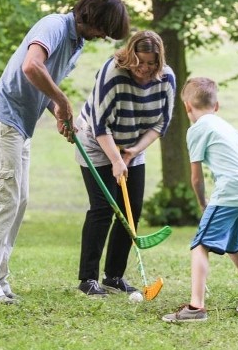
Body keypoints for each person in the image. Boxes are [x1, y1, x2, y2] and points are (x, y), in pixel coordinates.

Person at [0, 0, 130, 304]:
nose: (102, 36)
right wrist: (62, 100)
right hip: (1, 121)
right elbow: (31, 67)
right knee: (1, 201)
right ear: (91, 17)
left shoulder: (75, 43)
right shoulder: (54, 25)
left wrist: (56, 110)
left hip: (19, 126)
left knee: (17, 202)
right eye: (103, 29)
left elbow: (38, 83)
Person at [74, 30, 175, 297]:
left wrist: (132, 152)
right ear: (130, 55)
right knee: (103, 209)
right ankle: (87, 279)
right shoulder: (113, 74)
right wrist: (116, 160)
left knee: (132, 211)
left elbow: (161, 123)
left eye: (151, 62)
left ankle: (114, 276)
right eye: (140, 61)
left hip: (132, 143)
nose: (145, 68)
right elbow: (99, 125)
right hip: (97, 142)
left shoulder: (166, 79)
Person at [162, 77, 238, 323]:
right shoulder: (227, 126)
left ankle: (195, 307)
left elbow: (197, 178)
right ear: (217, 105)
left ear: (187, 106)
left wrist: (202, 203)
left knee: (200, 244)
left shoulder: (198, 129)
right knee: (232, 243)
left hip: (231, 193)